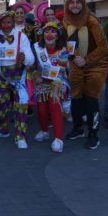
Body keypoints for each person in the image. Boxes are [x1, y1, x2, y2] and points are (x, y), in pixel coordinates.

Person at [63, 0, 108, 150]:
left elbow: (104, 47)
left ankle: (93, 134)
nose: (74, 5)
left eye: (78, 3)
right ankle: (78, 128)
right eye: (72, 3)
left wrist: (87, 60)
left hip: (95, 66)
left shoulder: (91, 21)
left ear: (83, 5)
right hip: (76, 65)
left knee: (91, 100)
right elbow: (68, 43)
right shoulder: (66, 21)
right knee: (75, 99)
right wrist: (71, 56)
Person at [0, 11, 35, 149]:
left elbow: (31, 58)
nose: (6, 25)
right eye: (3, 22)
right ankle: (2, 129)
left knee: (21, 107)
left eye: (9, 22)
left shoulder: (21, 37)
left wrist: (26, 59)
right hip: (0, 77)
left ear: (13, 22)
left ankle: (21, 136)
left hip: (18, 77)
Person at [31, 21, 69, 153]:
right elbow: (34, 67)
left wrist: (56, 88)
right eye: (47, 31)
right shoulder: (37, 49)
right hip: (42, 84)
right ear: (43, 35)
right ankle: (44, 130)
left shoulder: (63, 51)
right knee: (41, 111)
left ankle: (58, 139)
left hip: (58, 83)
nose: (49, 34)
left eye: (53, 32)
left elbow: (62, 70)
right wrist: (36, 75)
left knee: (54, 107)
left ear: (57, 36)